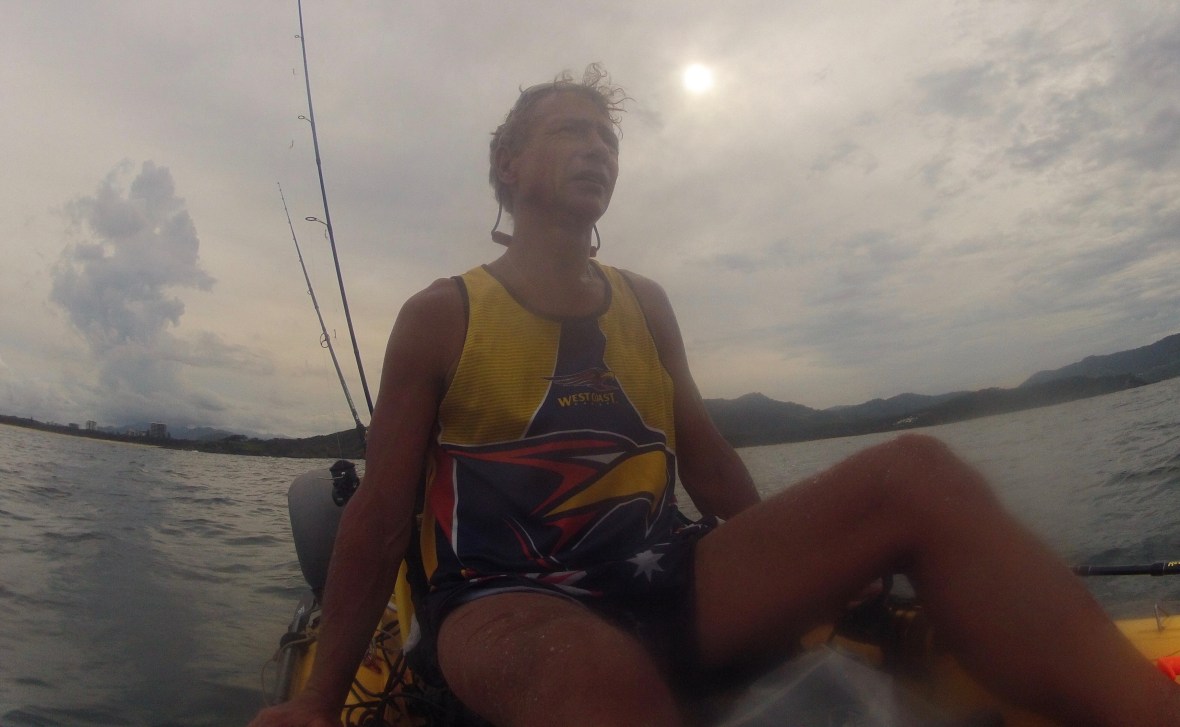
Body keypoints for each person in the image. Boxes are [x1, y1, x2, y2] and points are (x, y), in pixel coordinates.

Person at [250, 65, 1180, 727]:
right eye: (570, 130)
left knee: (919, 472)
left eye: (608, 136)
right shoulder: (441, 315)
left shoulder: (646, 304)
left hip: (661, 569)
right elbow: (378, 514)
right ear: (507, 164)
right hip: (501, 599)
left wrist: (811, 564)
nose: (596, 148)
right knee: (586, 667)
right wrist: (315, 702)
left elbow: (706, 456)